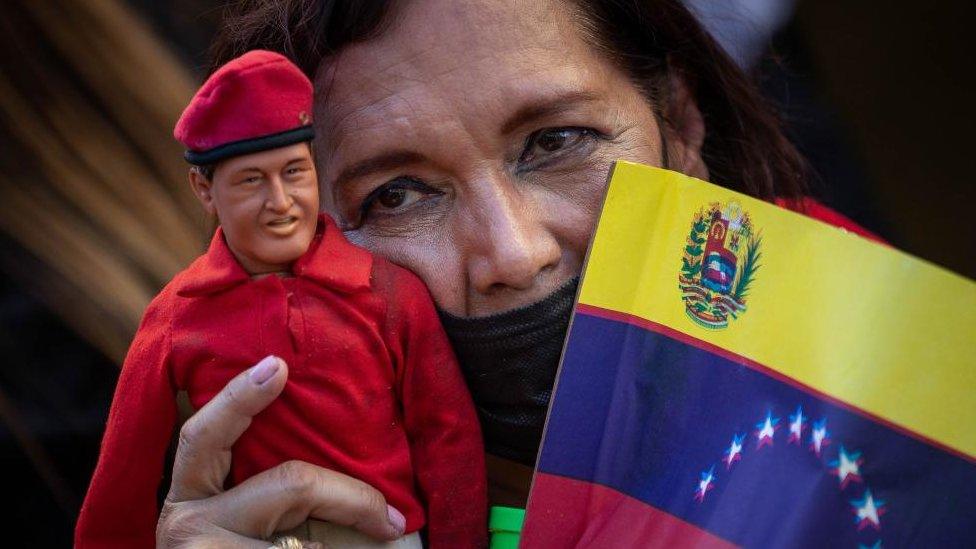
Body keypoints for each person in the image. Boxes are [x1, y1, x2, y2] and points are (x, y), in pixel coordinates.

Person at [151, 0, 882, 546]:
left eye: (558, 141)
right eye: (397, 195)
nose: (512, 251)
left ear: (681, 126)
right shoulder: (318, 516)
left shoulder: (908, 395)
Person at [76, 50, 485, 548]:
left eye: (294, 172)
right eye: (252, 181)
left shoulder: (387, 290)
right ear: (204, 189)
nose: (281, 202)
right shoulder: (178, 314)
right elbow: (126, 466)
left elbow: (447, 436)